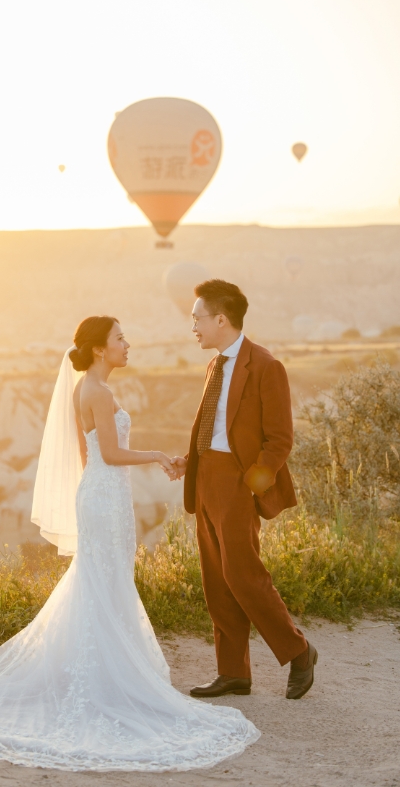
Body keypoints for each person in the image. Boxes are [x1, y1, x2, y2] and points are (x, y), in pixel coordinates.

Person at [0, 315, 260, 772]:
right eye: (120, 339)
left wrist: (117, 481)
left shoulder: (84, 389)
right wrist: (157, 456)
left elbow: (91, 458)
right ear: (100, 349)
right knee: (104, 584)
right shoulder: (98, 393)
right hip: (105, 499)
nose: (128, 344)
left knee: (101, 583)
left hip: (102, 494)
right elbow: (108, 454)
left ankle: (99, 672)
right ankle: (104, 680)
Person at [173, 279, 317, 700]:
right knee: (216, 579)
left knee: (244, 575)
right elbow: (214, 429)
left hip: (237, 482)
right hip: (205, 479)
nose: (193, 326)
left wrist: (251, 486)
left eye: (197, 318)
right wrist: (192, 461)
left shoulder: (266, 366)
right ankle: (233, 672)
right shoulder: (214, 365)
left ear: (221, 319)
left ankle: (299, 650)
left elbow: (280, 440)